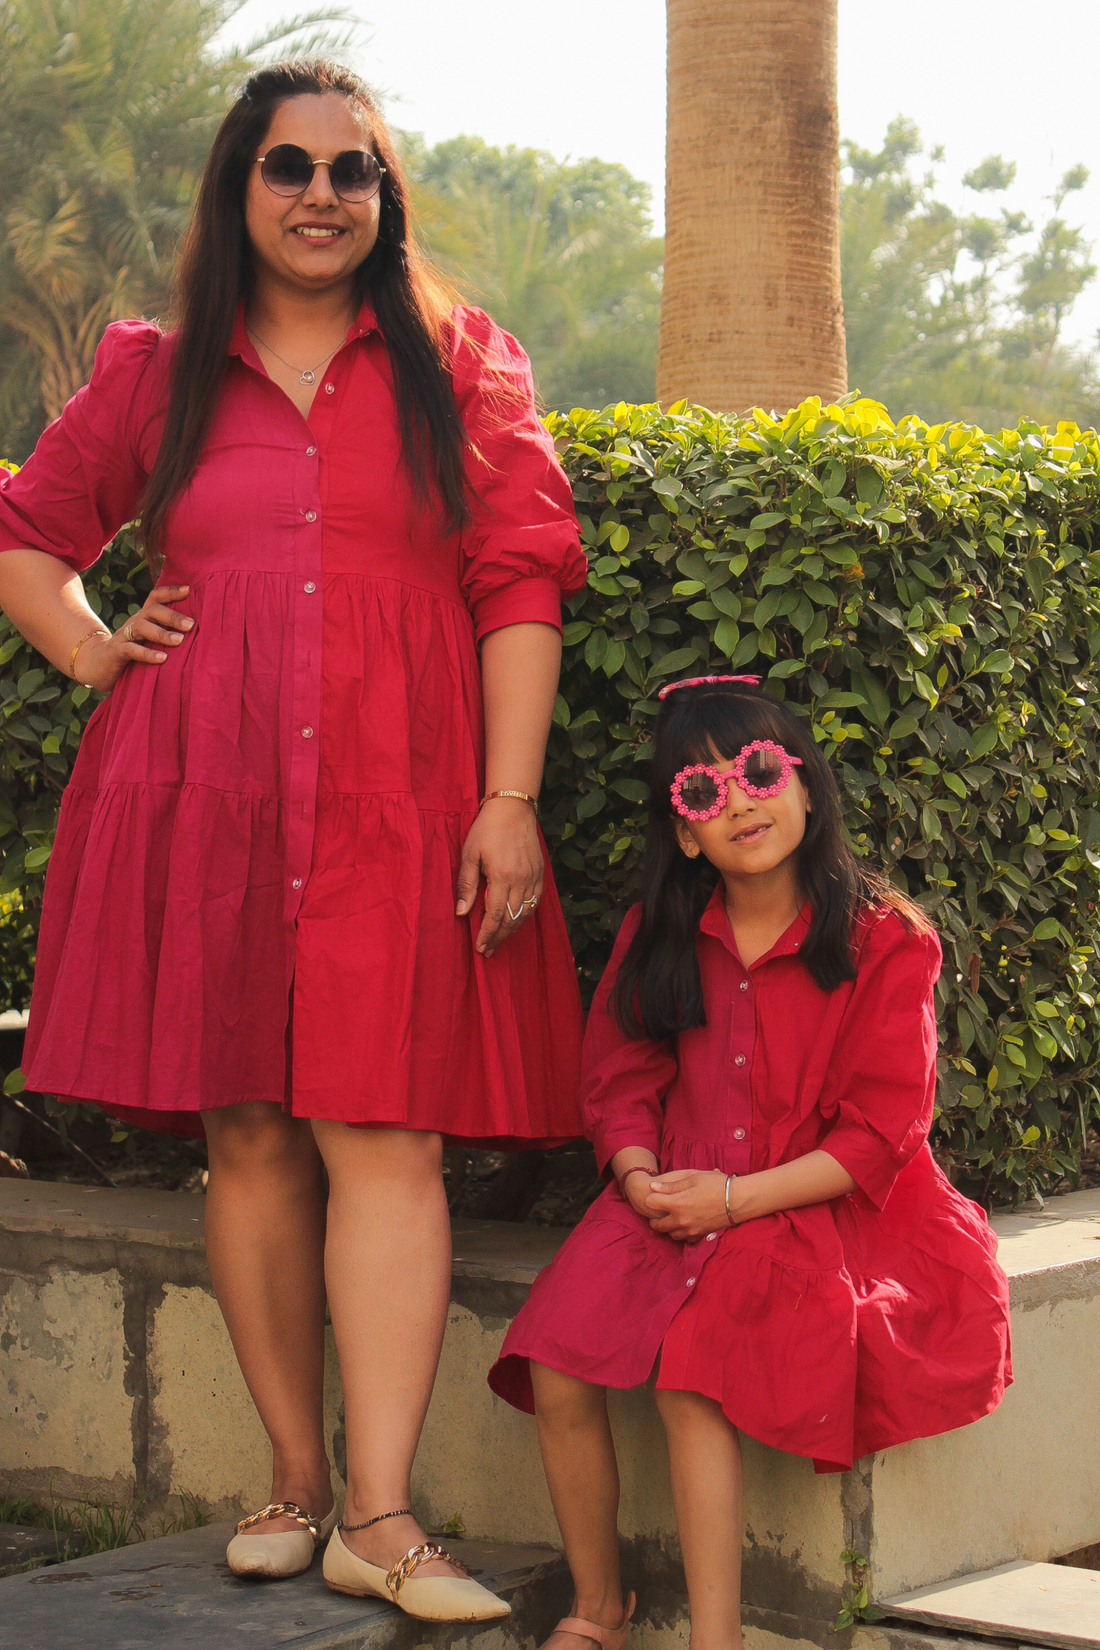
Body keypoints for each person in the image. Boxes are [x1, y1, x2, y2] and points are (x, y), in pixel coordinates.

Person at [0, 59, 587, 1619]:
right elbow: (28, 533)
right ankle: (295, 1480)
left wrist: (509, 801)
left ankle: (382, 1518)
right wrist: (88, 648)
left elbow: (521, 579)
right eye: (289, 166)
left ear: (388, 199)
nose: (323, 193)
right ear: (238, 188)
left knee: (386, 1127)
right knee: (249, 1126)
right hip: (201, 783)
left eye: (354, 170)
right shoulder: (153, 371)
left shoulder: (462, 367)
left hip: (402, 790)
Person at [489, 674, 1012, 1650]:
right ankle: (598, 1608)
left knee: (693, 1376)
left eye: (760, 770)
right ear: (684, 833)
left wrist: (732, 1200)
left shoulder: (883, 941)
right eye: (700, 791)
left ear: (806, 789)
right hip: (672, 1186)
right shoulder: (666, 932)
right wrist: (636, 1170)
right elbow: (618, 1072)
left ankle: (713, 1641)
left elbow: (877, 1134)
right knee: (552, 1360)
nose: (736, 799)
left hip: (802, 1199)